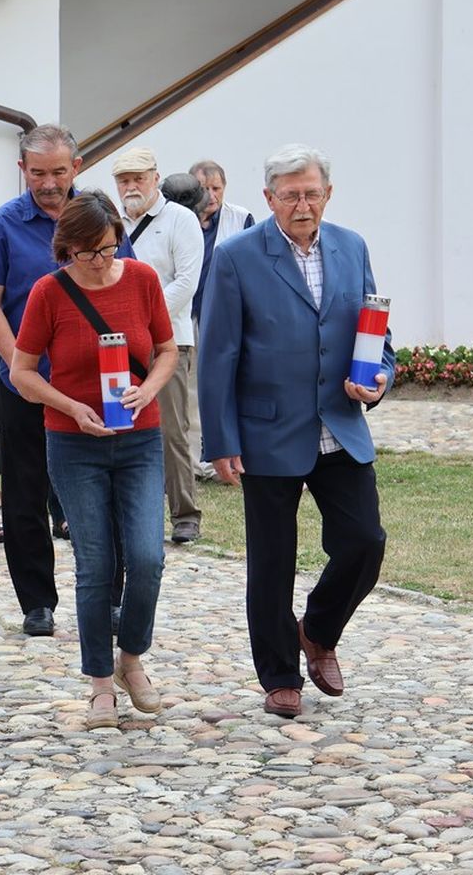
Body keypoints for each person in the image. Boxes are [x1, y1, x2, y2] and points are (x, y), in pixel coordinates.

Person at [198, 144, 394, 719]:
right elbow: (216, 354)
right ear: (269, 199)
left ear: (327, 194)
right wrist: (221, 441)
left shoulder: (352, 246)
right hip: (266, 431)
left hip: (339, 424)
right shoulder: (235, 257)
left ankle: (319, 630)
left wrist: (380, 375)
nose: (302, 205)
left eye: (311, 193)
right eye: (290, 196)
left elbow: (376, 331)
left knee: (365, 542)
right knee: (272, 562)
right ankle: (280, 676)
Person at [10, 191, 177, 729]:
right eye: (87, 253)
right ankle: (100, 684)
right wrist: (70, 406)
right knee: (96, 564)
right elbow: (22, 372)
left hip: (139, 439)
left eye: (107, 249)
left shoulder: (142, 280)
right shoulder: (49, 292)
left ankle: (131, 659)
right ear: (67, 250)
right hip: (74, 443)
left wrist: (148, 389)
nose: (100, 262)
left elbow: (167, 351)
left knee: (147, 557)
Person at [0, 124, 133, 638]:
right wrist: (18, 365)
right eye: (37, 173)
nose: (48, 183)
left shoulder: (99, 216)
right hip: (27, 385)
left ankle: (110, 598)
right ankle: (37, 601)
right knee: (24, 493)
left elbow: (126, 287)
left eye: (58, 172)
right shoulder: (2, 224)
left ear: (76, 167)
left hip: (92, 382)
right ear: (22, 169)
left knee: (103, 492)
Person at [112, 148, 203, 544]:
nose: (131, 186)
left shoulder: (180, 219)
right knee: (119, 426)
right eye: (124, 180)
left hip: (169, 341)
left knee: (170, 430)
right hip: (116, 343)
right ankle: (126, 514)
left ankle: (185, 514)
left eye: (138, 178)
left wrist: (141, 318)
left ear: (155, 177)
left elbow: (186, 282)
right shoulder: (110, 222)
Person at [189, 160, 253, 483]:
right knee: (193, 389)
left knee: (227, 383)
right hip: (189, 314)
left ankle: (233, 454)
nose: (211, 195)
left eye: (217, 188)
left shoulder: (241, 218)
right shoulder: (180, 218)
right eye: (204, 189)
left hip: (227, 315)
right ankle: (198, 460)